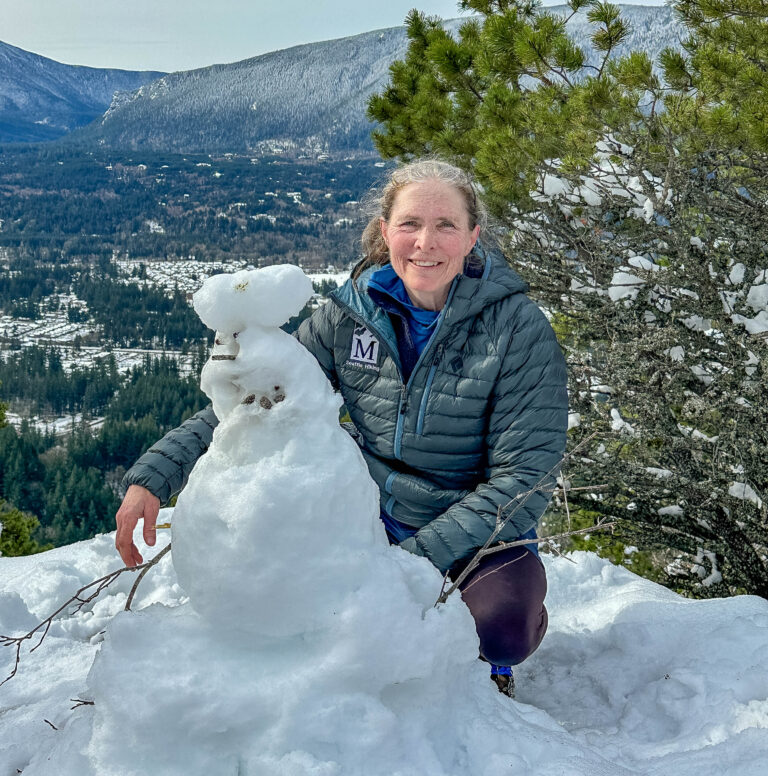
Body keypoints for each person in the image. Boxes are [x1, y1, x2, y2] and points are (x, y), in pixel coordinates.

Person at [115, 159, 568, 697]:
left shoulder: (517, 329)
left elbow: (525, 480)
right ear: (385, 231)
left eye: (446, 225)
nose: (426, 242)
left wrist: (412, 562)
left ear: (473, 236)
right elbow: (256, 402)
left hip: (480, 529)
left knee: (502, 625)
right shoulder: (349, 316)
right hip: (368, 507)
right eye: (410, 224)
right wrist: (153, 478)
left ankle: (482, 668)